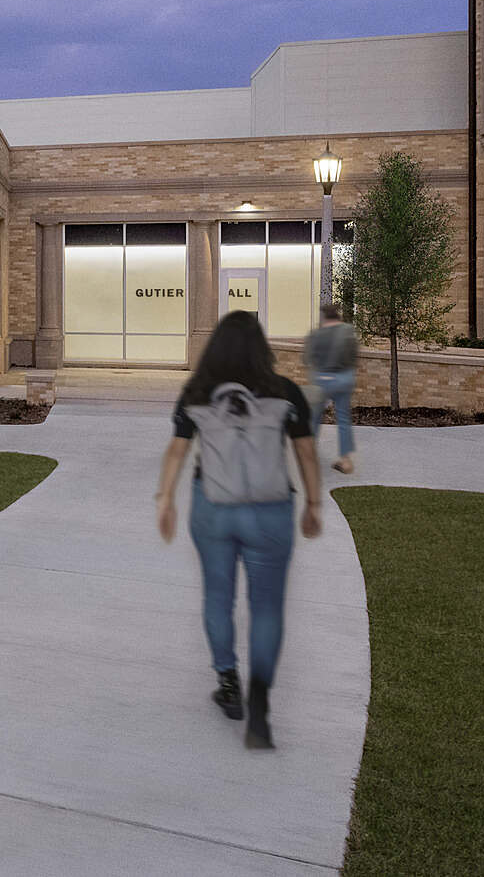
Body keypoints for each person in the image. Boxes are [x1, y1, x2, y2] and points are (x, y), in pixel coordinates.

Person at [156, 311, 323, 750]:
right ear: (261, 347)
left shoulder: (197, 392)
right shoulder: (284, 392)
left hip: (213, 507)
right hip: (271, 511)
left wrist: (166, 500)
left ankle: (228, 683)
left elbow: (177, 451)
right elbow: (306, 455)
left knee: (217, 597)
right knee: (267, 608)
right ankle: (261, 701)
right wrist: (314, 504)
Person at [304, 303, 359, 475]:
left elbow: (307, 359)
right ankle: (345, 460)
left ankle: (309, 459)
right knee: (343, 417)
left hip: (322, 381)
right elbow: (354, 356)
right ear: (338, 316)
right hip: (344, 379)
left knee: (314, 418)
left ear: (324, 317)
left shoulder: (316, 334)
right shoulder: (349, 331)